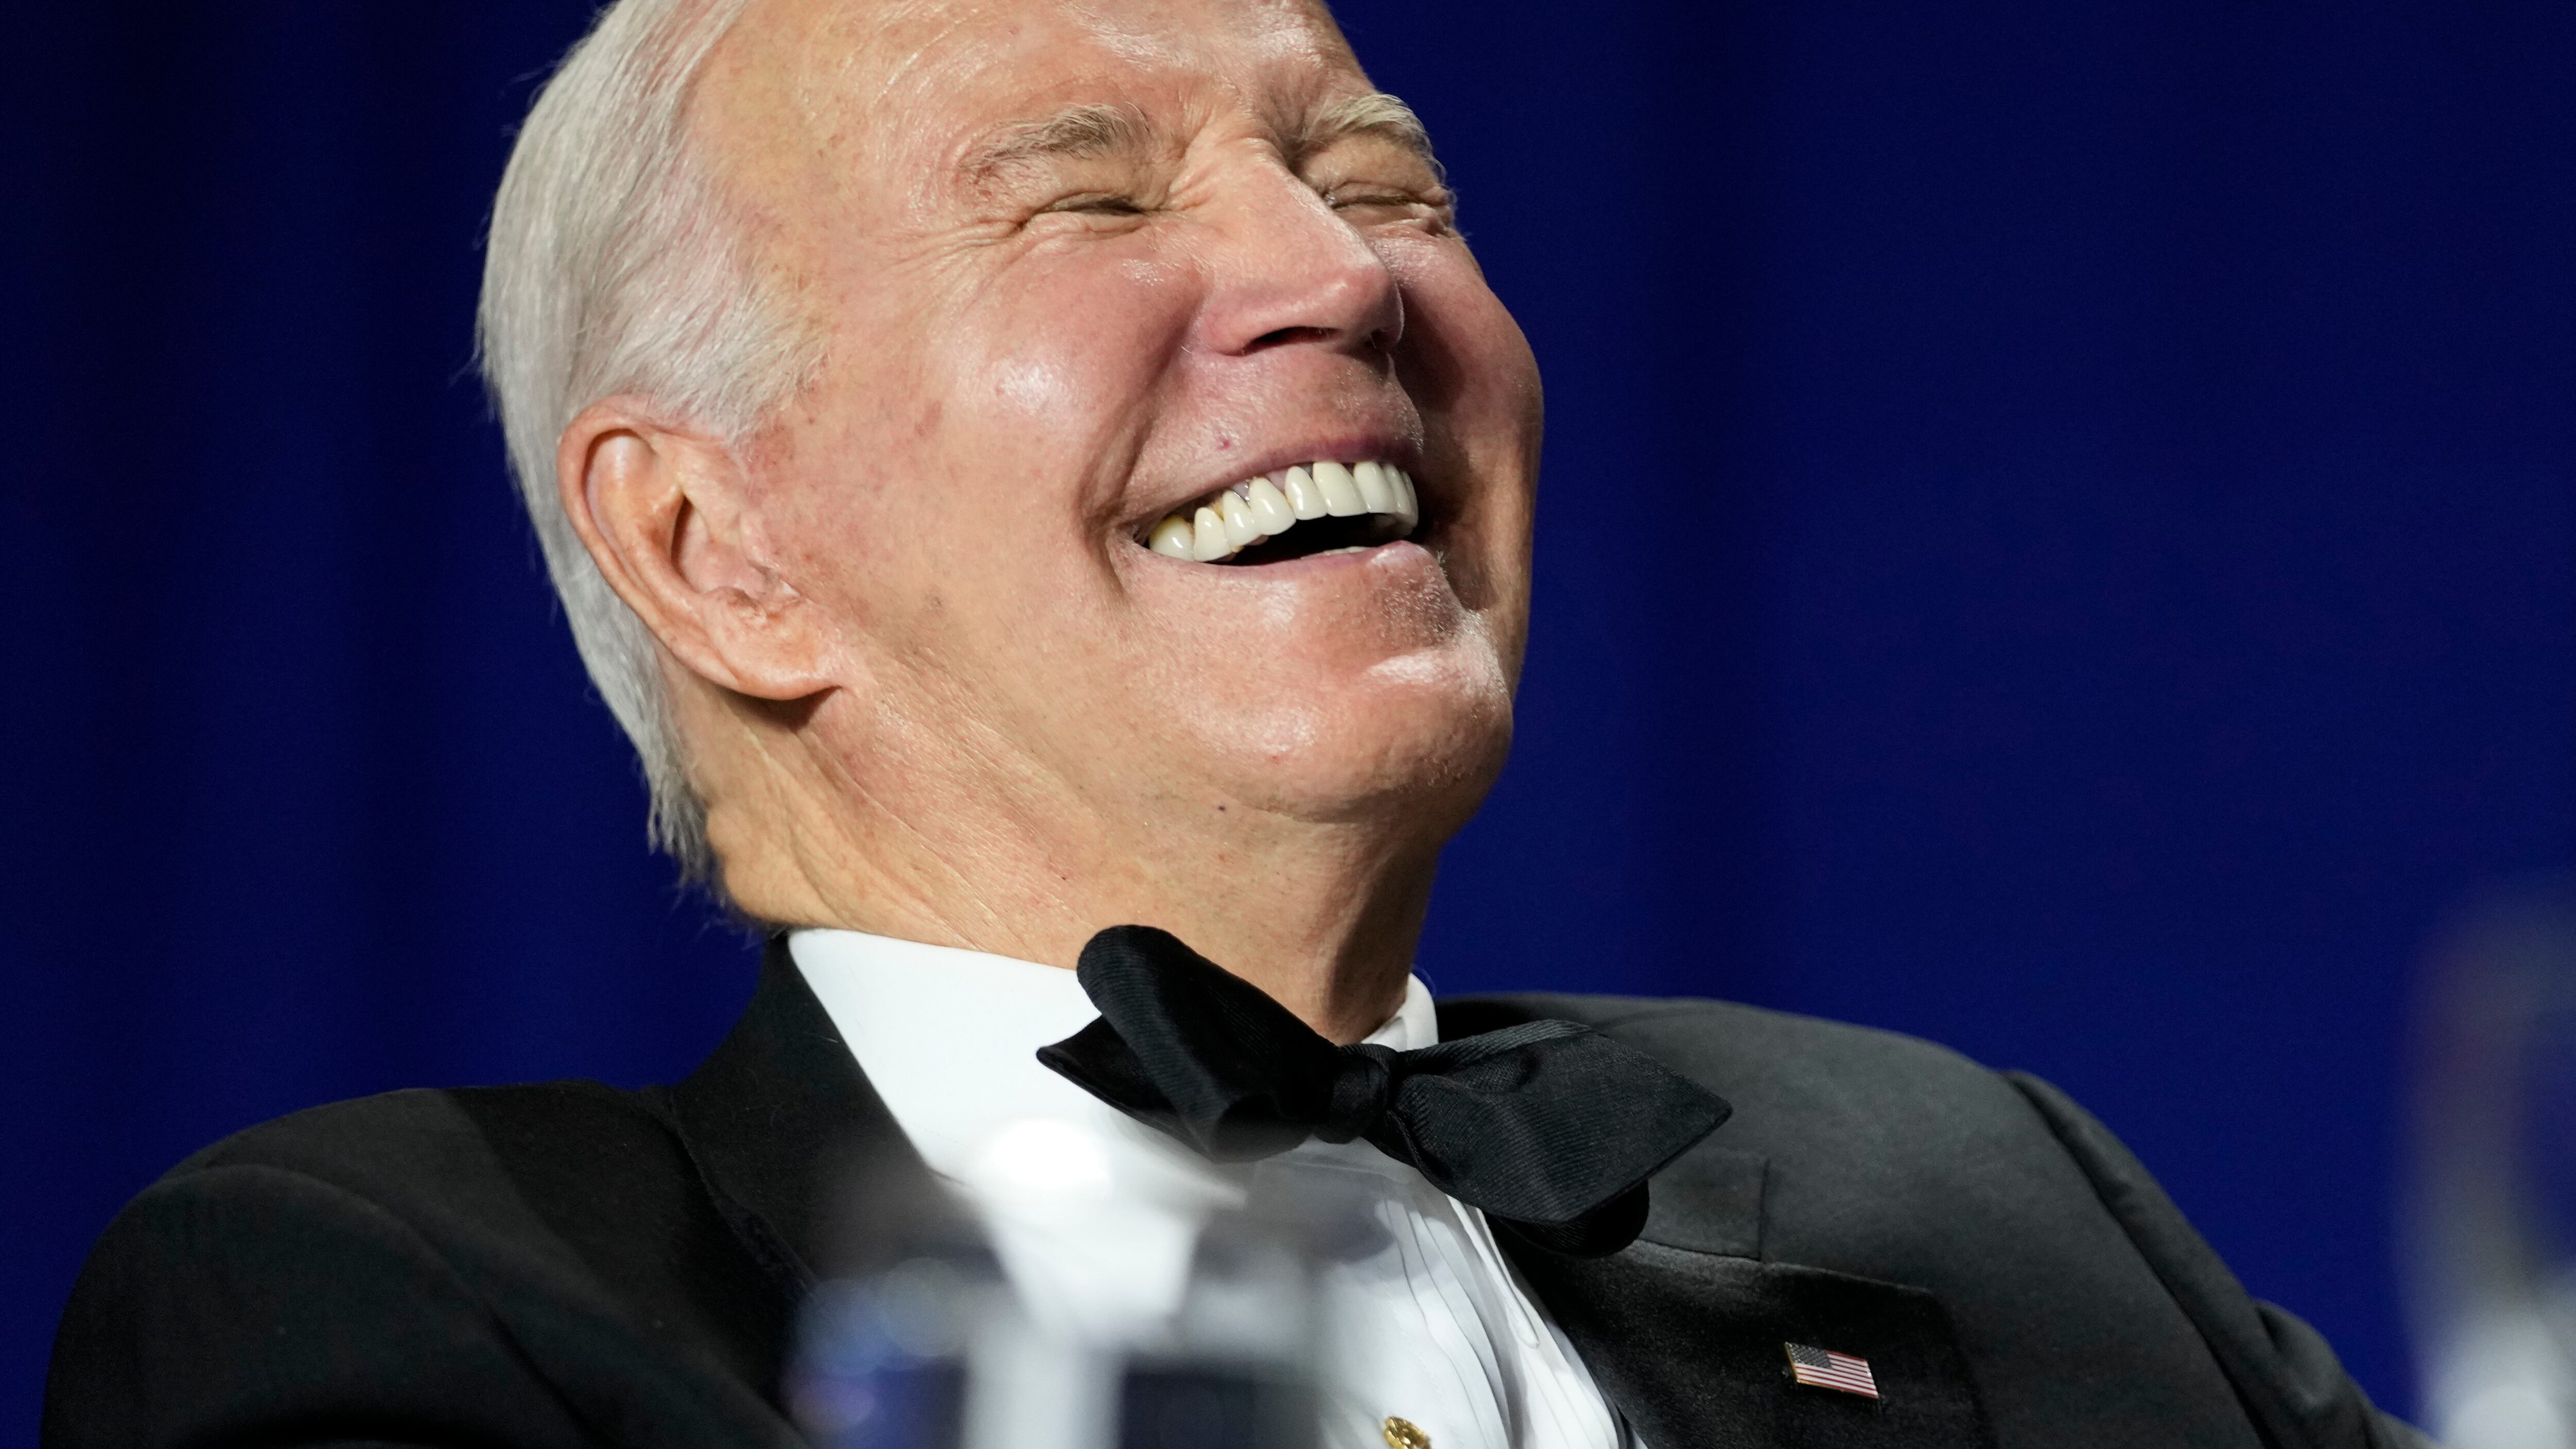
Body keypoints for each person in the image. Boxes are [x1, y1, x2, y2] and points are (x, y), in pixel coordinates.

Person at [42, 0, 2428, 1445]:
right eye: (1082, 204)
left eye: (1376, 173)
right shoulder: (400, 1304)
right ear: (710, 547)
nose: (1334, 277)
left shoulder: (1977, 1198)